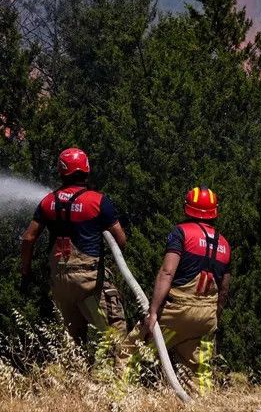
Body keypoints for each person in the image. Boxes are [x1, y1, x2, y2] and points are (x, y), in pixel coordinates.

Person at [20, 147, 129, 350]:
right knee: (115, 338)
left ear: (61, 171)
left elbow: (28, 238)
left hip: (60, 283)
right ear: (86, 169)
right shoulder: (97, 201)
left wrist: (25, 271)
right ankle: (118, 371)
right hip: (89, 283)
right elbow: (120, 240)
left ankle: (75, 370)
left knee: (73, 345)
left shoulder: (48, 201)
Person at [143, 186, 231, 394]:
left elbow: (167, 272)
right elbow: (224, 289)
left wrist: (153, 312)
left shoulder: (181, 233)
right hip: (207, 316)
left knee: (132, 353)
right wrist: (214, 317)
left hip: (177, 312)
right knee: (199, 373)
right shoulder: (225, 244)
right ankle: (204, 404)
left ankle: (115, 397)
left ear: (187, 207)